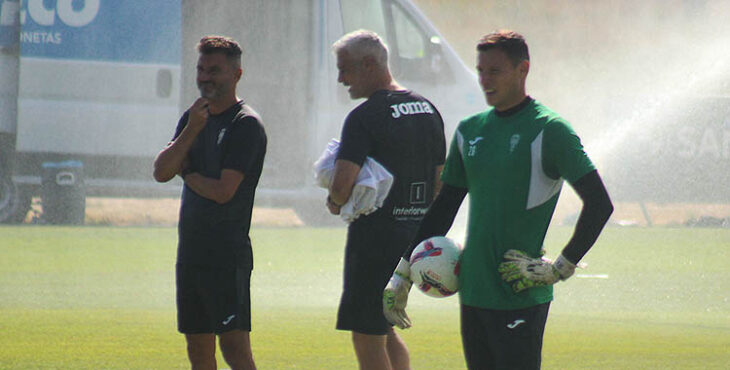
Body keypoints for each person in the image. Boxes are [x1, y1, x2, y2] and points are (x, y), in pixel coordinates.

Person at [383, 30, 614, 369]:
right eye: (480, 71)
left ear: (523, 70)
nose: (485, 80)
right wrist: (401, 274)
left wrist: (560, 268)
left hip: (519, 290)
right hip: (473, 291)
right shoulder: (469, 131)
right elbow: (443, 209)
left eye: (495, 71)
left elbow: (600, 204)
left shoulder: (550, 130)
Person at [328, 29, 447, 370]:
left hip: (374, 240)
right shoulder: (427, 109)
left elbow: (340, 187)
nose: (340, 79)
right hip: (412, 240)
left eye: (345, 68)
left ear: (369, 64)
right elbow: (440, 182)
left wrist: (336, 201)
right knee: (387, 329)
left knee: (367, 335)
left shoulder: (364, 117)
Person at [153, 35, 266, 370]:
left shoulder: (245, 125)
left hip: (226, 256)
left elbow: (223, 191)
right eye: (201, 69)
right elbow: (161, 171)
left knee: (234, 347)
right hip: (191, 253)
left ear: (236, 75)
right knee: (198, 349)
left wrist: (187, 175)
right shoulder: (194, 118)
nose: (205, 77)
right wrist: (192, 130)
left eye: (214, 70)